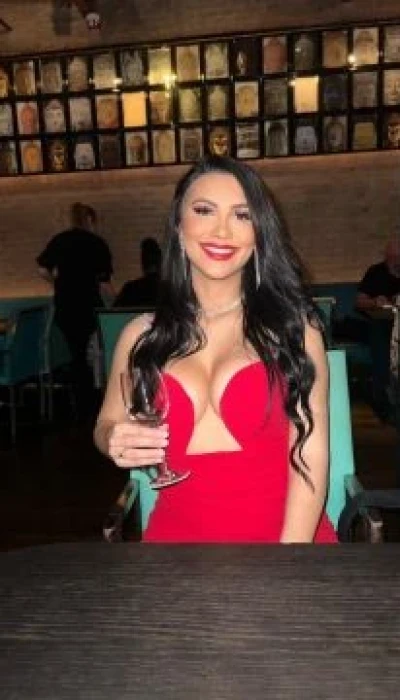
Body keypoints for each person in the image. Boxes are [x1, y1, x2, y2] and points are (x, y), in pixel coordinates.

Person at [94, 155, 336, 543]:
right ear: (179, 225)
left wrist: (290, 561)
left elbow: (311, 454)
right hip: (174, 546)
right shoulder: (140, 336)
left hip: (287, 544)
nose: (222, 230)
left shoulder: (294, 332)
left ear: (259, 232)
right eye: (204, 210)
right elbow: (106, 423)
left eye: (242, 215)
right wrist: (113, 440)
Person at [37, 202, 114, 417]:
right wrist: (117, 302)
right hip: (89, 304)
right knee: (90, 353)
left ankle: (80, 401)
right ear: (89, 220)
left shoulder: (60, 240)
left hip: (66, 304)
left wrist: (56, 281)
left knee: (76, 352)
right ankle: (91, 400)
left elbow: (42, 269)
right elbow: (104, 282)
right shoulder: (97, 243)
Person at [355, 239, 400, 422]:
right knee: (381, 343)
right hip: (380, 323)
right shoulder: (375, 273)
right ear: (387, 257)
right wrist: (375, 302)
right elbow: (359, 302)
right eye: (394, 258)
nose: (396, 262)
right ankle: (384, 400)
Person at [113, 237, 162, 308]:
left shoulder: (130, 289)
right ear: (160, 262)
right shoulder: (170, 290)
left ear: (143, 262)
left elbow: (115, 311)